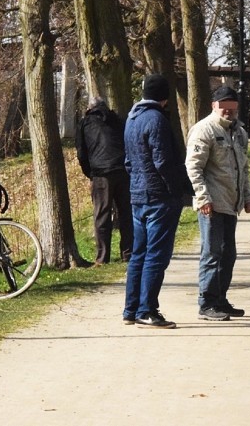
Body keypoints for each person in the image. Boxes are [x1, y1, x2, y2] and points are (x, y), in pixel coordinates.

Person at [122, 74, 189, 329]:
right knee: (156, 256)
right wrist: (176, 190)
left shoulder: (132, 118)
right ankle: (147, 309)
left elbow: (128, 161)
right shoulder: (157, 119)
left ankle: (131, 309)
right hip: (159, 197)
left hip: (138, 194)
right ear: (165, 97)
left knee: (138, 253)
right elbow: (163, 161)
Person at [185, 85, 250, 322]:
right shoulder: (203, 130)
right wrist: (203, 198)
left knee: (228, 254)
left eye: (232, 106)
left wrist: (247, 196)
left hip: (231, 203)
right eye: (224, 106)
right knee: (212, 253)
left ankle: (220, 299)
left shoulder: (239, 132)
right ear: (214, 106)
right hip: (212, 204)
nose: (229, 111)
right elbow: (193, 167)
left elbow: (243, 168)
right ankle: (206, 303)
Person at [76, 97, 134, 265]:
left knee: (102, 215)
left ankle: (102, 257)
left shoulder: (85, 123)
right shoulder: (118, 120)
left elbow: (81, 153)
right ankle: (128, 253)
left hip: (101, 173)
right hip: (122, 170)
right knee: (126, 213)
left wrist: (90, 173)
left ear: (89, 108)